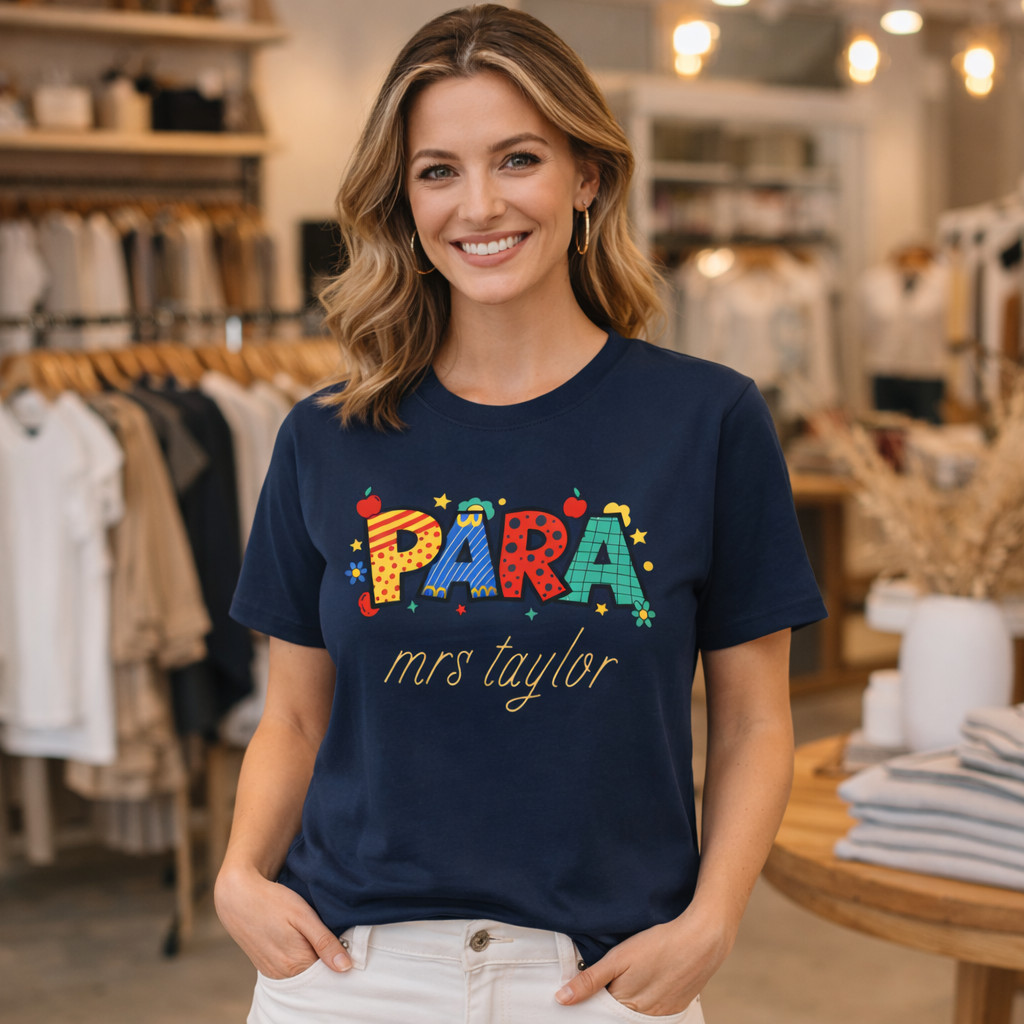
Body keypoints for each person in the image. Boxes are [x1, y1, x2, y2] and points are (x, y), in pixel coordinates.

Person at [215, 6, 826, 1022]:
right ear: (404, 199)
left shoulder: (706, 419)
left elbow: (756, 717)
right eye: (438, 171)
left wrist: (715, 918)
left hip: (602, 977)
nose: (480, 204)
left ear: (586, 176)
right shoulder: (326, 437)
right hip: (349, 973)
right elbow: (293, 715)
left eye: (518, 159)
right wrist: (240, 873)